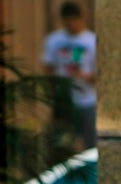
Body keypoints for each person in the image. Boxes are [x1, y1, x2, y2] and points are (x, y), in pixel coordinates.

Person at [42, 1, 97, 150]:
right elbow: (48, 67)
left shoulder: (92, 41)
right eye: (68, 20)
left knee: (90, 142)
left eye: (74, 20)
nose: (71, 24)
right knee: (62, 143)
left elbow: (100, 74)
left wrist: (85, 76)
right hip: (63, 99)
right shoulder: (54, 40)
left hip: (87, 99)